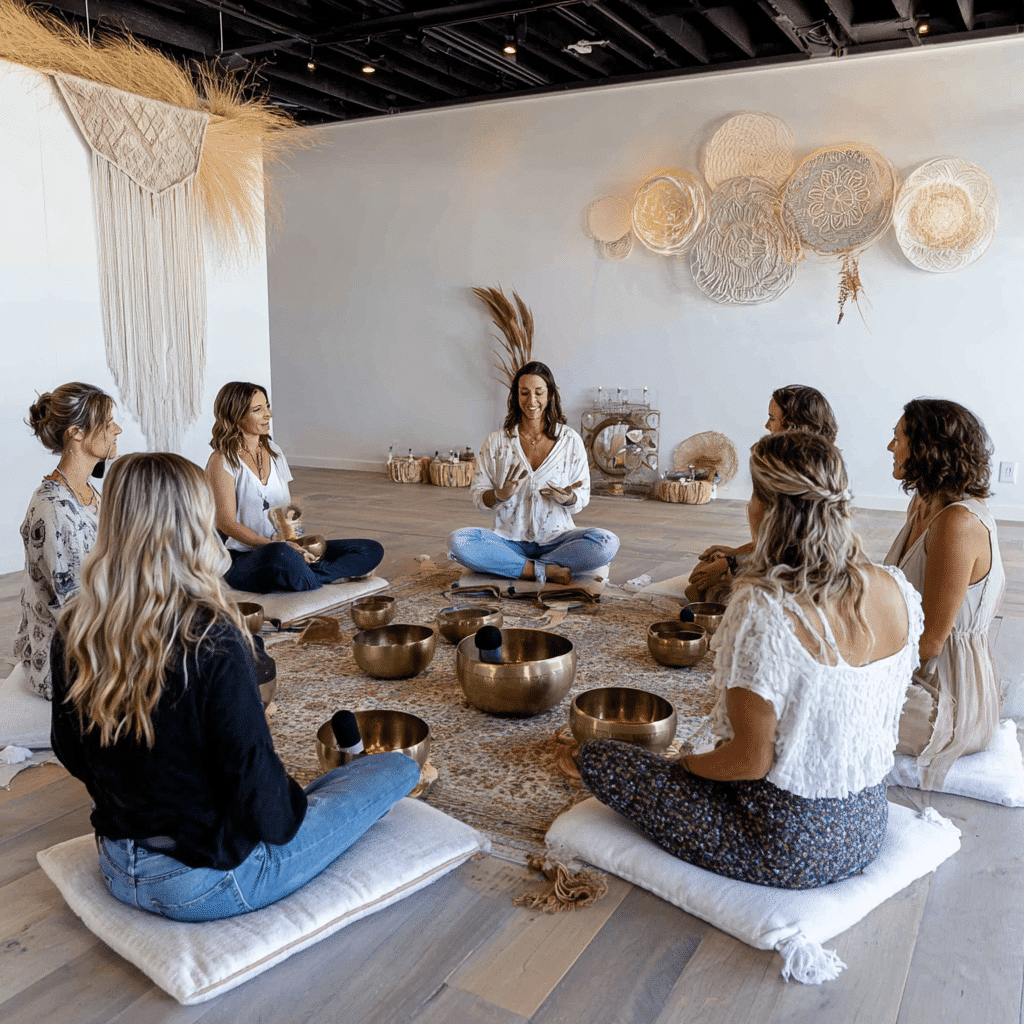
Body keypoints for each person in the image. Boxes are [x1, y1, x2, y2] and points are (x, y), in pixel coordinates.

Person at [50, 453, 419, 922]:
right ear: (192, 523)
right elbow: (269, 812)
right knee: (391, 771)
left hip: (119, 864)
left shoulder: (75, 627)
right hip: (206, 880)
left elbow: (69, 750)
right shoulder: (210, 636)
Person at [579, 431, 923, 888]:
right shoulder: (892, 586)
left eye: (752, 497)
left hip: (785, 845)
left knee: (600, 757)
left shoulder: (764, 607)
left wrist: (685, 766)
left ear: (767, 510)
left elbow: (750, 761)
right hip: (864, 824)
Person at [883, 398, 1005, 788]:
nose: (890, 448)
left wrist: (853, 661)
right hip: (915, 674)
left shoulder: (957, 523)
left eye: (898, 438)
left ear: (926, 448)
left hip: (949, 698)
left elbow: (931, 642)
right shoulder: (924, 503)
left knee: (814, 705)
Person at [447, 361, 619, 586]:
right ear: (515, 396)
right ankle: (541, 571)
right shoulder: (497, 442)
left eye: (539, 392)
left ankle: (516, 566)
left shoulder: (569, 441)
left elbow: (582, 497)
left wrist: (567, 498)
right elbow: (479, 497)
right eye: (524, 393)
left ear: (550, 395)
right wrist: (500, 494)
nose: (531, 401)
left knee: (607, 542)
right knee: (459, 541)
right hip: (507, 540)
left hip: (557, 541)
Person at [206, 382, 383, 593]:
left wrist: (300, 543)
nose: (268, 414)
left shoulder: (274, 451)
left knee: (370, 549)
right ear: (235, 415)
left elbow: (284, 509)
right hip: (247, 558)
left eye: (267, 406)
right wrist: (275, 546)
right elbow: (226, 524)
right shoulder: (221, 461)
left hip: (287, 547)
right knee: (281, 555)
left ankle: (312, 575)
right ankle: (328, 574)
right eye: (258, 410)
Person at [15, 383, 121, 699]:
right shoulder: (52, 509)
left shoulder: (87, 494)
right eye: (107, 423)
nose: (117, 429)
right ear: (76, 433)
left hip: (96, 632)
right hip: (64, 664)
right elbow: (75, 612)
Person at [686, 385, 838, 604]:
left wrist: (731, 562)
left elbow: (793, 551)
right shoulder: (808, 465)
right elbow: (776, 536)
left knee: (704, 586)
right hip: (777, 563)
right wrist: (734, 552)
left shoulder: (804, 479)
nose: (766, 425)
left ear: (793, 424)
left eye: (772, 418)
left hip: (798, 578)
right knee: (706, 567)